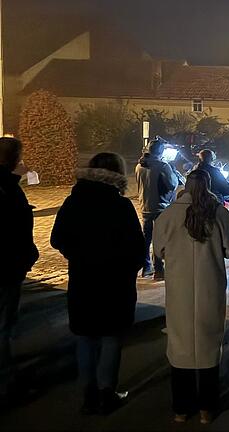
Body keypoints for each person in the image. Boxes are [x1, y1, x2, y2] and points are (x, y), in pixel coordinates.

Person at [50, 153, 144, 414]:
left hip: (83, 278)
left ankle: (88, 392)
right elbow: (137, 247)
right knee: (111, 337)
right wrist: (128, 266)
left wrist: (77, 254)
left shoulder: (73, 202)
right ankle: (106, 392)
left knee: (85, 337)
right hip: (116, 281)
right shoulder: (120, 206)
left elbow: (57, 239)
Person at [153, 169, 229, 424]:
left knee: (180, 344)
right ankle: (206, 409)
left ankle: (181, 409)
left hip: (179, 288)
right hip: (210, 285)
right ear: (209, 184)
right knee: (209, 344)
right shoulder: (219, 213)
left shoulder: (168, 215)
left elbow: (158, 250)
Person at [0, 137, 39, 405]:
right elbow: (16, 231)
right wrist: (27, 258)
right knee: (3, 327)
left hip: (9, 264)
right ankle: (6, 384)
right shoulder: (7, 190)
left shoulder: (8, 187)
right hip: (5, 267)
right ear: (14, 159)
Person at [135, 138, 182, 279]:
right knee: (159, 239)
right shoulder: (163, 166)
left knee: (146, 238)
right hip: (161, 206)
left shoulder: (139, 165)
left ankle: (146, 267)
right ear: (161, 151)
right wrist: (173, 171)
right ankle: (159, 270)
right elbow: (172, 185)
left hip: (145, 206)